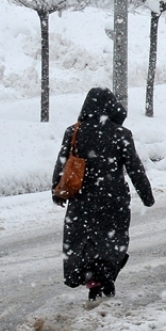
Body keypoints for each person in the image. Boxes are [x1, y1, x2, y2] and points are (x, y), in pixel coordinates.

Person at [52, 87, 154, 301]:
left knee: (85, 242)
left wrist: (58, 191)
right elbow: (134, 167)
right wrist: (146, 195)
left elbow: (63, 162)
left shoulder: (74, 132)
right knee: (111, 242)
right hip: (113, 200)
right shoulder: (121, 134)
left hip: (82, 200)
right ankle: (105, 279)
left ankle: (92, 279)